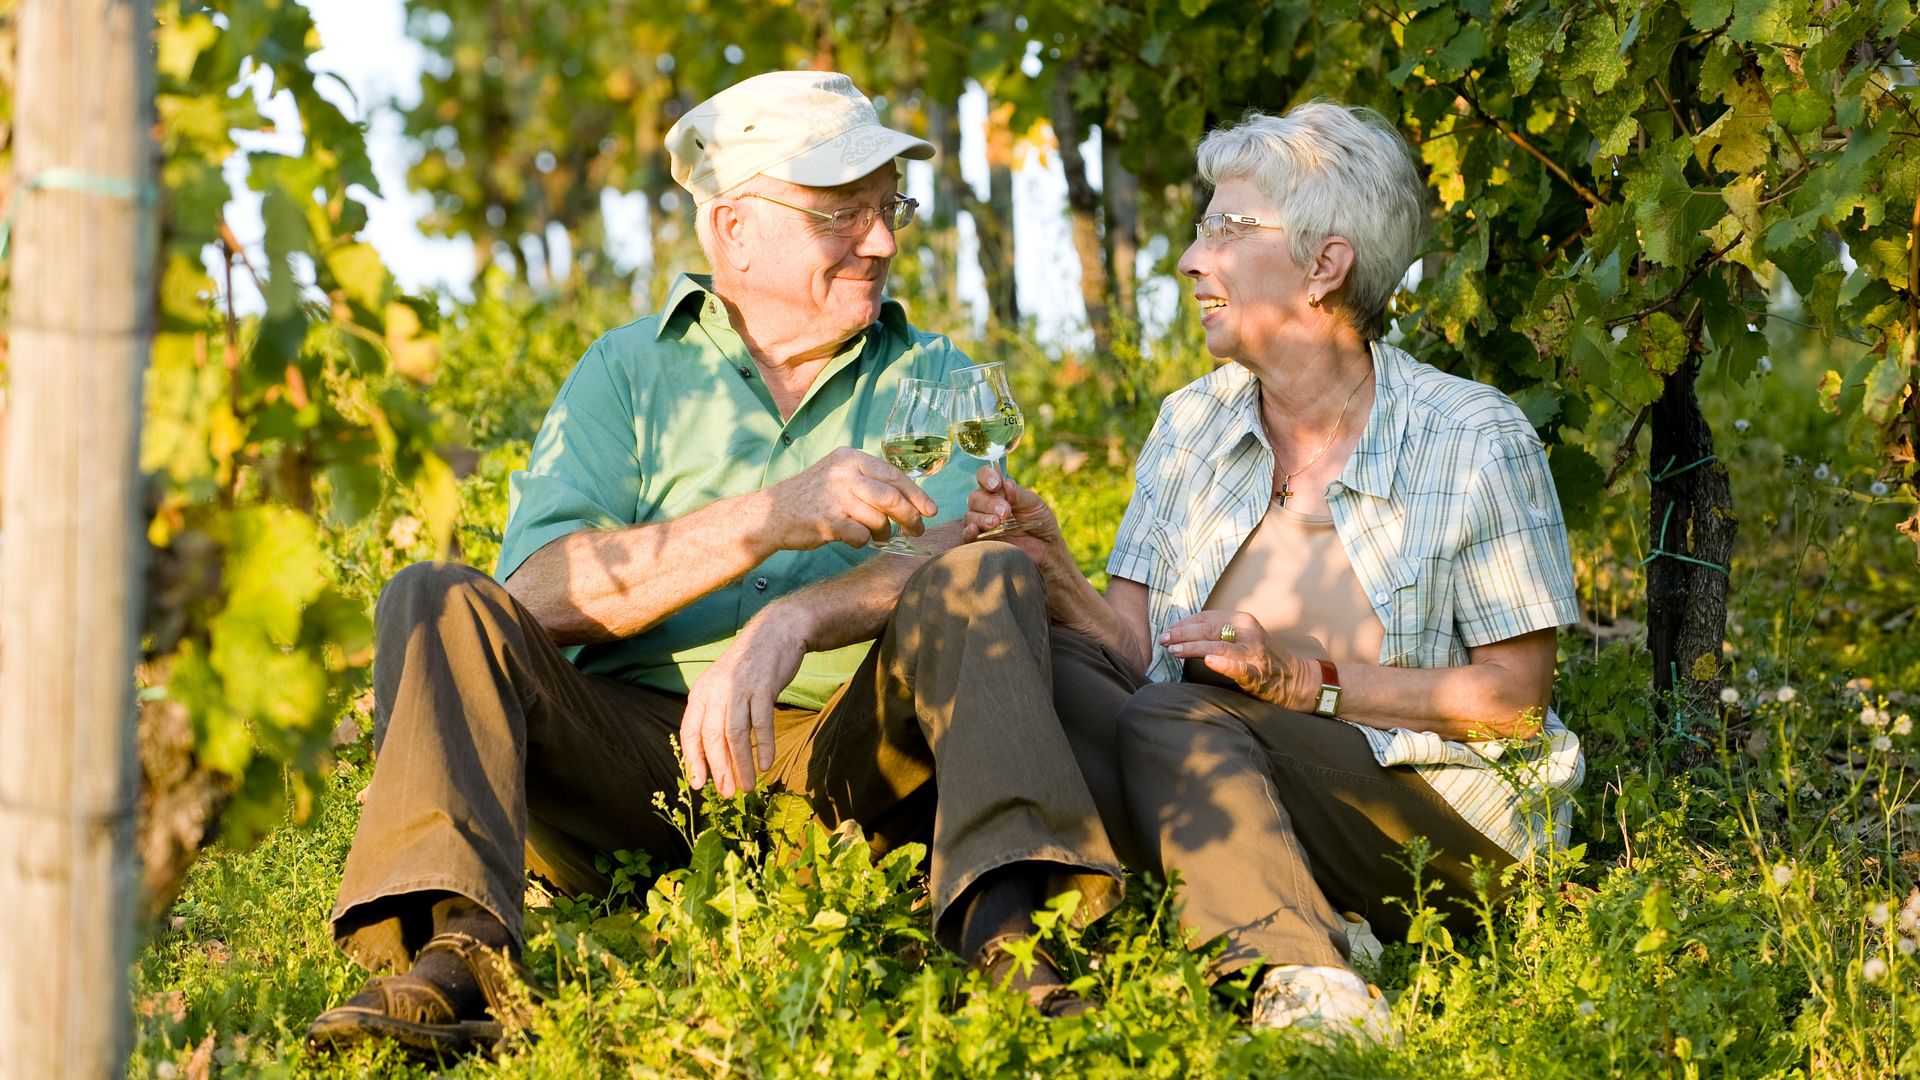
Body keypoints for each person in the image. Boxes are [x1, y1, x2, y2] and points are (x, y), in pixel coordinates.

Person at [307, 70, 1139, 1059]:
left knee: (990, 574)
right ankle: (460, 956)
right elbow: (536, 594)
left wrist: (791, 622)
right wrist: (772, 516)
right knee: (435, 597)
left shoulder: (932, 374)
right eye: (842, 214)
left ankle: (1009, 935)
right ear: (734, 229)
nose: (881, 240)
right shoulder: (627, 371)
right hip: (627, 766)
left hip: (851, 765)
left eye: (889, 209)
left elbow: (959, 549)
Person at [965, 100, 1582, 1045]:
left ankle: (1306, 981)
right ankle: (1112, 920)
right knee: (1033, 659)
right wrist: (1054, 574)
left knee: (1176, 716)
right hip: (1208, 765)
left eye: (1226, 229)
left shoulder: (1471, 435)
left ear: (1324, 266)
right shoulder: (1191, 424)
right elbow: (1133, 653)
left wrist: (1306, 680)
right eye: (1200, 227)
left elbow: (1514, 702)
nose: (1191, 258)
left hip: (1433, 821)